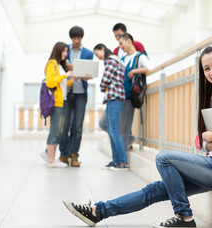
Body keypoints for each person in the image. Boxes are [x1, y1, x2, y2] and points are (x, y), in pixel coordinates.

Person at [62, 45, 212, 228]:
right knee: (153, 191)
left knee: (163, 158)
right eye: (206, 68)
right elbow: (198, 141)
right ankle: (98, 212)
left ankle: (184, 217)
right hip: (211, 166)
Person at [102, 33, 151, 151]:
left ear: (128, 41)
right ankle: (128, 140)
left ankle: (122, 159)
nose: (120, 47)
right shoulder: (122, 59)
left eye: (121, 43)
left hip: (129, 98)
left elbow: (149, 67)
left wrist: (134, 71)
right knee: (104, 123)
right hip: (118, 97)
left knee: (123, 128)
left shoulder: (139, 57)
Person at [59, 26, 94, 167]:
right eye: (74, 38)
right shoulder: (65, 50)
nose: (76, 41)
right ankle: (63, 154)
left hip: (80, 94)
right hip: (66, 94)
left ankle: (74, 155)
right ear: (71, 38)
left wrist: (83, 74)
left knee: (77, 127)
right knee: (64, 125)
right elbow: (62, 66)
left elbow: (87, 72)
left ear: (82, 38)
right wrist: (77, 68)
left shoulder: (88, 53)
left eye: (78, 38)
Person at [40, 42, 75, 168]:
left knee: (58, 131)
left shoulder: (59, 65)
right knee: (55, 131)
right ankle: (50, 160)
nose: (65, 54)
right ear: (58, 51)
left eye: (67, 51)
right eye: (64, 51)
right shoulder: (52, 64)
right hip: (56, 102)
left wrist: (72, 80)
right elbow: (50, 82)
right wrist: (65, 75)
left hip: (62, 101)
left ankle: (48, 155)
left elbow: (61, 85)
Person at [94, 43, 128, 171]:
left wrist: (102, 87)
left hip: (114, 97)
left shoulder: (110, 60)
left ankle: (122, 162)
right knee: (111, 130)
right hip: (113, 98)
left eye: (98, 54)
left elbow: (105, 79)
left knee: (114, 131)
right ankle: (116, 161)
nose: (98, 57)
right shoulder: (114, 60)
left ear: (103, 49)